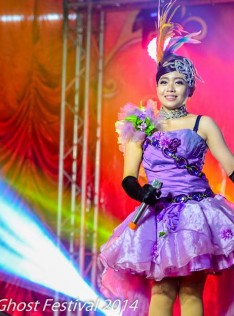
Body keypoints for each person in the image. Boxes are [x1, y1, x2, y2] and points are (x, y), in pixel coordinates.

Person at [99, 1, 234, 315]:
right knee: (161, 290)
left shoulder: (203, 124)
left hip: (197, 215)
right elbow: (128, 177)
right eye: (164, 81)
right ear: (156, 86)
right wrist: (139, 191)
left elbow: (230, 165)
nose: (170, 88)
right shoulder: (141, 124)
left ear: (189, 89)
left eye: (178, 82)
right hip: (159, 215)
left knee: (191, 292)